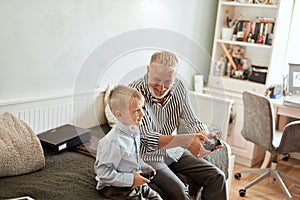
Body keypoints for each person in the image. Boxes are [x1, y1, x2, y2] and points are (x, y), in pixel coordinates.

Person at [129, 51, 227, 200]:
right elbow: (147, 139)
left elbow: (191, 119)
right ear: (148, 70)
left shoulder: (179, 88)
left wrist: (204, 136)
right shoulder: (134, 92)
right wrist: (187, 140)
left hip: (173, 151)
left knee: (217, 176)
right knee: (180, 191)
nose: (162, 87)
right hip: (146, 156)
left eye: (168, 81)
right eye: (156, 79)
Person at [94, 85, 162, 200]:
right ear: (119, 115)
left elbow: (131, 157)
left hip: (133, 178)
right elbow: (103, 173)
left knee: (156, 197)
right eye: (136, 110)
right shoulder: (113, 142)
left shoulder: (134, 130)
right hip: (114, 188)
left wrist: (143, 165)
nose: (142, 114)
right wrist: (131, 179)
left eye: (142, 108)